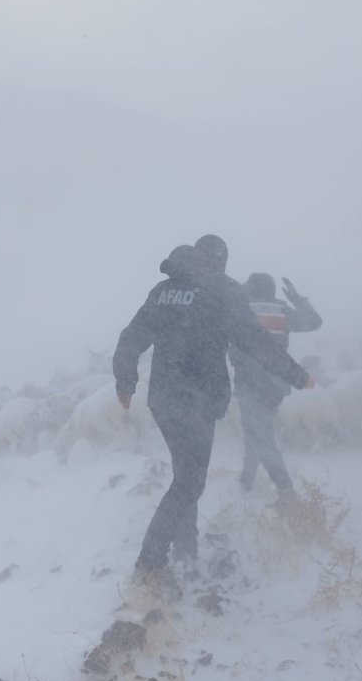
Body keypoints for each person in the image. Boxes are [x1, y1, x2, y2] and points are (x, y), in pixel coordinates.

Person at [112, 235, 314, 578]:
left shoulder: (164, 291)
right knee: (191, 481)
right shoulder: (223, 291)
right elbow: (254, 340)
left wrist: (125, 380)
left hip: (163, 398)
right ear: (219, 260)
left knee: (184, 474)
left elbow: (132, 336)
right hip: (199, 399)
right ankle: (150, 562)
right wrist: (295, 374)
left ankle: (186, 549)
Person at [230, 273, 322, 497]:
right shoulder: (281, 309)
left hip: (250, 381)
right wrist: (297, 299)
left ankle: (286, 491)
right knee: (257, 429)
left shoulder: (242, 308)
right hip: (276, 383)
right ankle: (247, 478)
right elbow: (314, 322)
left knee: (261, 434)